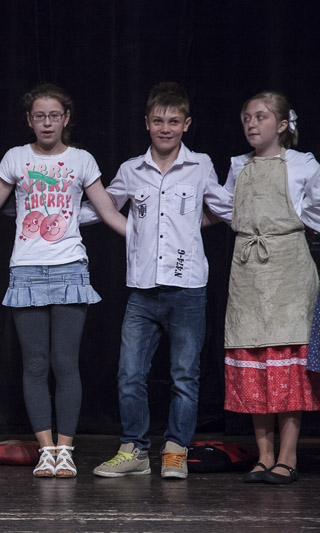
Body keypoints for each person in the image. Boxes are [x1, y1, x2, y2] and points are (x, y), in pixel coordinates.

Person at [0, 84, 127, 478]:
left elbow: (108, 212)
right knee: (35, 364)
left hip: (70, 267)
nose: (47, 123)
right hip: (27, 271)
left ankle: (65, 450)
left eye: (54, 115)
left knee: (65, 362)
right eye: (40, 116)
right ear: (29, 120)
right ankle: (46, 449)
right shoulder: (16, 157)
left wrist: (155, 239)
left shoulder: (81, 160)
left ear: (66, 118)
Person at [84, 82, 233, 479]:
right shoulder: (132, 170)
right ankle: (133, 449)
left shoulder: (199, 165)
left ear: (186, 124)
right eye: (158, 121)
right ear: (147, 123)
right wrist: (55, 213)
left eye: (173, 121)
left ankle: (175, 450)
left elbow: (225, 207)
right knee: (129, 373)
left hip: (187, 289)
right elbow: (102, 207)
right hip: (143, 290)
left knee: (185, 375)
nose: (165, 128)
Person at [223, 91, 320, 485]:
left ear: (281, 125)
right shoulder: (237, 166)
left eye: (261, 117)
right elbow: (225, 209)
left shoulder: (302, 164)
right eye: (247, 117)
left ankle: (288, 455)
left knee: (286, 362)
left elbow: (316, 208)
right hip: (247, 269)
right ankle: (263, 455)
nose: (251, 123)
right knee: (254, 359)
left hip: (288, 271)